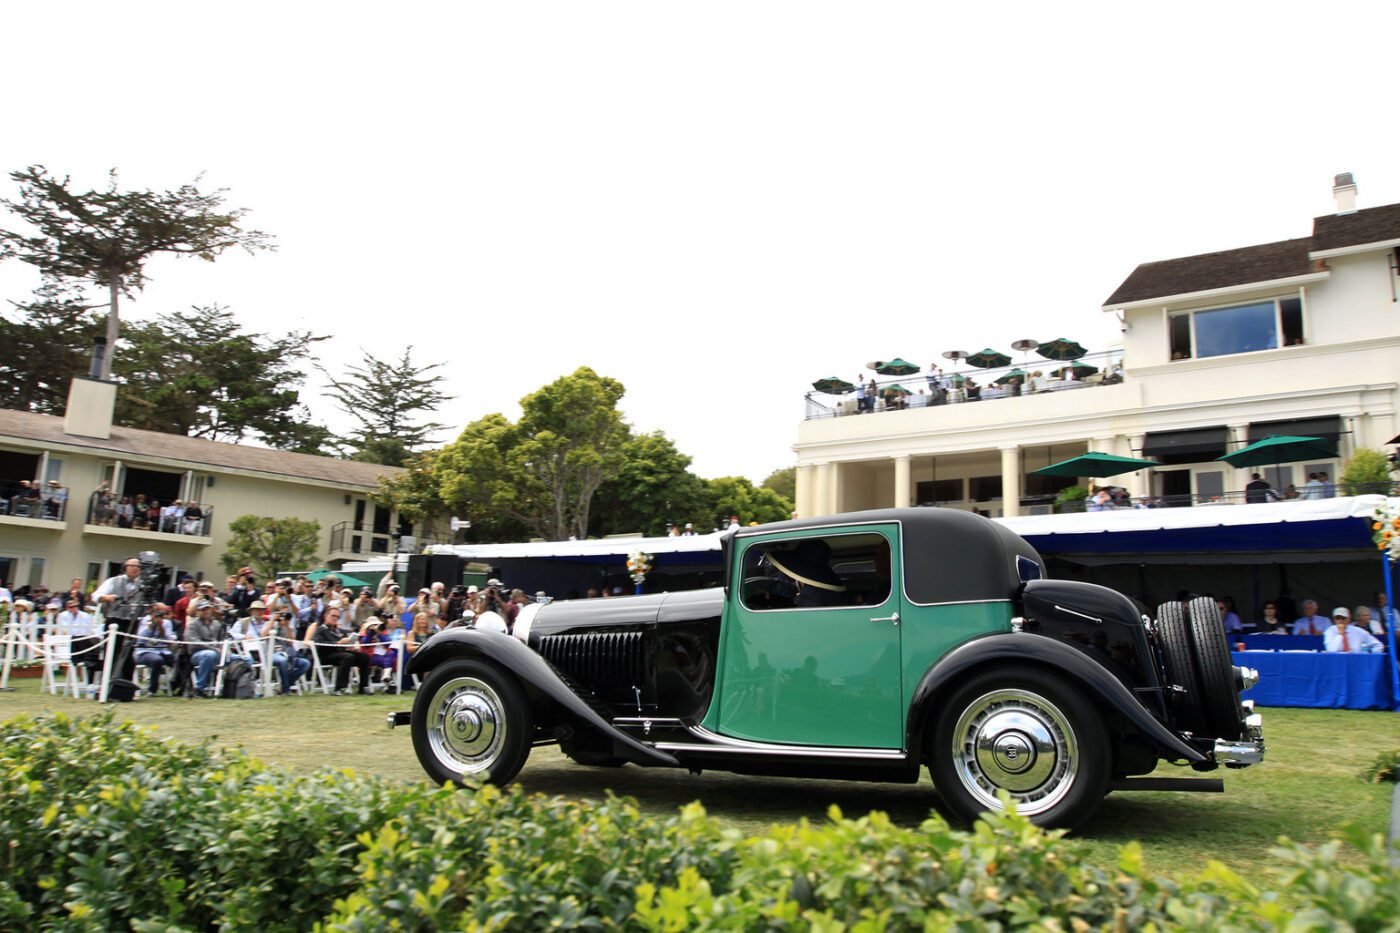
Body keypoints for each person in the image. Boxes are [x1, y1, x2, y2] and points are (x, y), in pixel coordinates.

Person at [93, 557, 147, 683]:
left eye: (138, 566)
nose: (135, 568)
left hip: (132, 621)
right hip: (114, 619)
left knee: (128, 653)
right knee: (111, 652)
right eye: (132, 565)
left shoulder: (143, 585)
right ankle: (107, 683)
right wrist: (107, 597)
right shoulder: (114, 581)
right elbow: (95, 596)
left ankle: (126, 685)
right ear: (125, 567)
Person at [307, 606, 371, 694]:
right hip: (325, 655)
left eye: (337, 617)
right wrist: (338, 643)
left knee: (364, 656)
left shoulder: (338, 630)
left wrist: (351, 642)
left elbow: (347, 638)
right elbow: (319, 644)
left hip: (340, 653)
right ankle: (339, 688)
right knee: (348, 657)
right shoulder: (320, 629)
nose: (335, 618)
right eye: (333, 616)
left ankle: (363, 687)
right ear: (326, 616)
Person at [261, 610, 311, 695]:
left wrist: (287, 626)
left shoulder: (288, 627)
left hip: (288, 655)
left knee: (306, 663)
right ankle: (286, 690)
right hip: (272, 654)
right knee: (282, 660)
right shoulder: (269, 624)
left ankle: (285, 684)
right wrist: (273, 620)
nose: (282, 618)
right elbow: (263, 635)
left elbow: (292, 643)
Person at [183, 599, 225, 698]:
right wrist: (214, 648)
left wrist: (223, 649)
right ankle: (199, 689)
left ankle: (238, 688)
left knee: (244, 658)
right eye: (203, 609)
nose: (206, 611)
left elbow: (221, 640)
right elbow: (194, 643)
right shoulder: (192, 625)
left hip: (218, 652)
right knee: (209, 655)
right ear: (198, 611)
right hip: (198, 654)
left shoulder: (216, 624)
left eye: (207, 609)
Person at [134, 605, 177, 696]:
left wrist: (161, 627)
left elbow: (169, 640)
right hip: (145, 652)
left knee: (179, 659)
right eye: (155, 612)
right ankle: (152, 689)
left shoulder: (167, 623)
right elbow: (140, 640)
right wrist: (150, 627)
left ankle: (176, 686)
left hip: (162, 651)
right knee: (157, 660)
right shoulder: (144, 621)